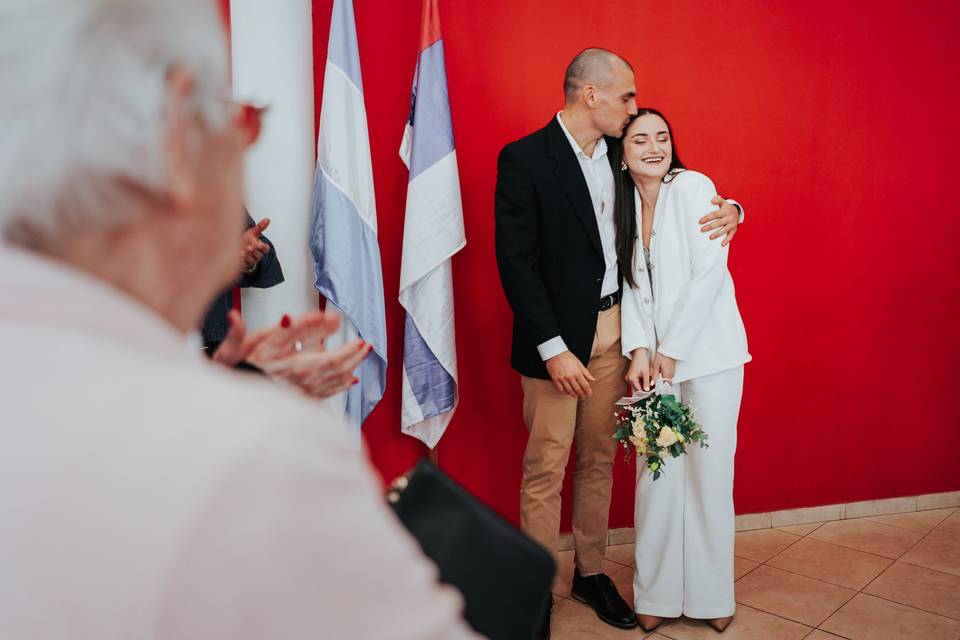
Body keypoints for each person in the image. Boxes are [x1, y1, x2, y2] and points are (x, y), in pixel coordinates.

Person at [0, 1, 478, 638]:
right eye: (239, 122)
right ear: (178, 134)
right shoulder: (257, 457)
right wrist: (251, 416)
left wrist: (237, 379)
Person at [494, 48, 742, 638]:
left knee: (600, 458)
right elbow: (516, 262)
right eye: (627, 97)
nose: (634, 110)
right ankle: (537, 589)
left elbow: (683, 193)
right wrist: (552, 347)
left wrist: (734, 209)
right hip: (556, 342)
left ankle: (591, 572)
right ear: (591, 96)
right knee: (546, 466)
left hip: (619, 333)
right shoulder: (525, 159)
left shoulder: (621, 156)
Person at [615, 109, 751, 633]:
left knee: (710, 475)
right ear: (622, 155)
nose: (654, 147)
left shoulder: (694, 187)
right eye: (640, 140)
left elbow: (708, 274)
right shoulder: (621, 204)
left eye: (662, 137)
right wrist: (641, 351)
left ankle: (713, 597)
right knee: (658, 477)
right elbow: (629, 286)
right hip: (653, 365)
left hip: (711, 357)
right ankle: (656, 594)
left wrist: (672, 349)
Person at [200, 211, 284, 353]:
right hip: (155, 339)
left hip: (211, 344)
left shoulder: (213, 194)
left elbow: (263, 253)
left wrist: (248, 259)